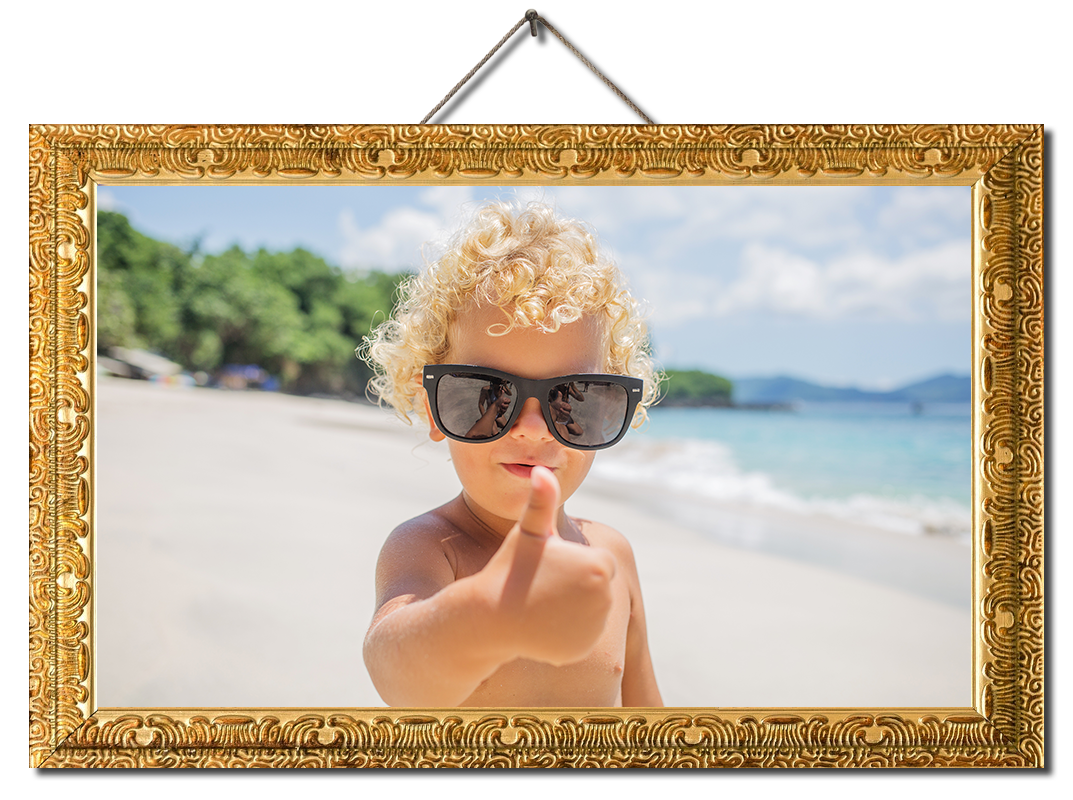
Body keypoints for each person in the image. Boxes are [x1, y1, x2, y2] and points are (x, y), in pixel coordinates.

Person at [361, 202, 663, 707]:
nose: (530, 428)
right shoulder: (432, 549)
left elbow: (647, 711)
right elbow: (397, 673)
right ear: (434, 409)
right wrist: (486, 617)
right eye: (486, 395)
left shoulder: (612, 555)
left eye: (575, 399)